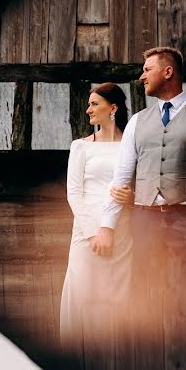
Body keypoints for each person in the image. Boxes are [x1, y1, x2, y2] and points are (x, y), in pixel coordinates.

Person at [92, 47, 186, 345]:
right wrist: (107, 224)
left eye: (147, 69)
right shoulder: (137, 122)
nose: (141, 76)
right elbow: (121, 177)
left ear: (168, 72)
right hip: (145, 219)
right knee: (145, 293)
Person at [59, 83, 133, 352]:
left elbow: (141, 186)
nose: (88, 109)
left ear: (112, 108)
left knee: (116, 297)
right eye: (89, 103)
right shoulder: (80, 147)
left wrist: (132, 199)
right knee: (83, 294)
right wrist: (95, 232)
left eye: (94, 104)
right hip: (86, 234)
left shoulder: (130, 145)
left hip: (123, 232)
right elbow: (74, 194)